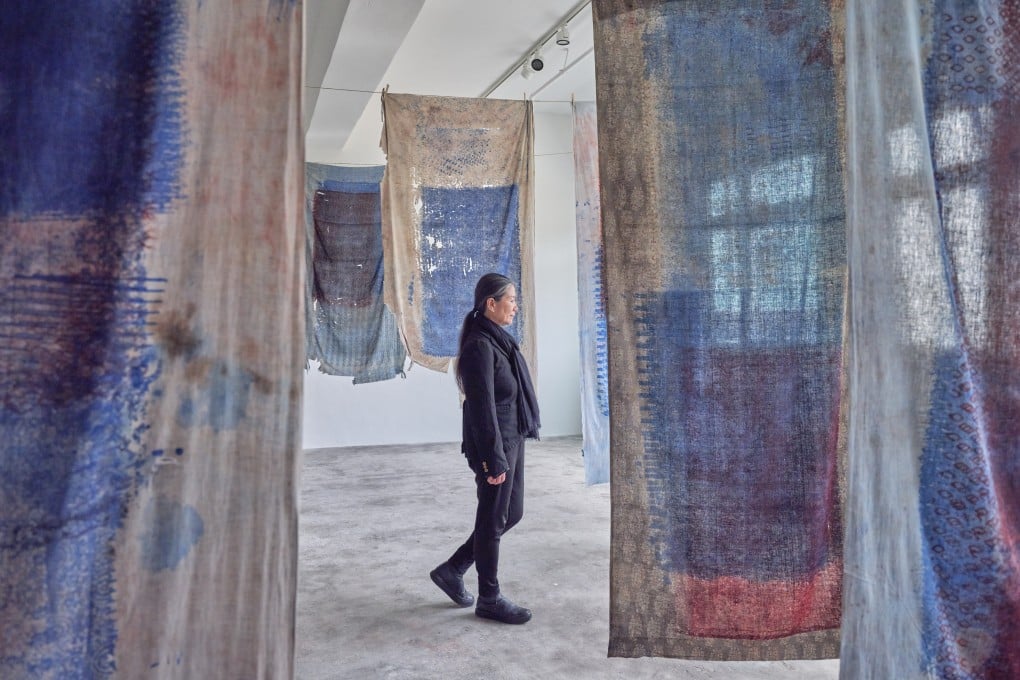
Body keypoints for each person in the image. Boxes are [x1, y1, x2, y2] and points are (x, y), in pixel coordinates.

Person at [430, 272, 541, 625]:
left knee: (512, 513)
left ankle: (453, 569)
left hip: (514, 438)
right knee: (492, 520)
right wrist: (493, 460)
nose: (515, 307)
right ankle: (489, 598)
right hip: (495, 445)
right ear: (490, 304)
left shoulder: (499, 341)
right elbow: (481, 407)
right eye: (510, 300)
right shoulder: (480, 346)